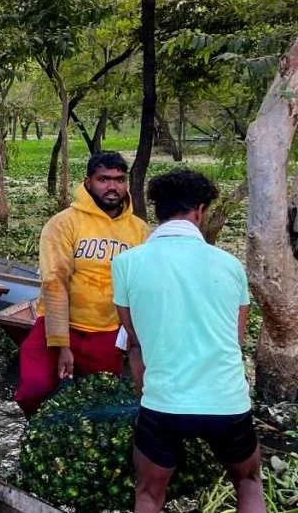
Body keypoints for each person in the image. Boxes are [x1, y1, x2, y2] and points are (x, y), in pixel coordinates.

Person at [113, 170, 265, 513]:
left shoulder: (125, 265)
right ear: (200, 210)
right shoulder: (230, 265)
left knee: (149, 495)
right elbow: (236, 339)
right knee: (248, 483)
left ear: (158, 211)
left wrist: (145, 397)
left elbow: (135, 341)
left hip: (164, 403)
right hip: (227, 402)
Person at [15, 151, 150, 416]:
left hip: (108, 331)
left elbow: (142, 290)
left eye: (119, 180)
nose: (112, 187)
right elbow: (55, 282)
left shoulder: (140, 231)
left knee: (100, 401)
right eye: (104, 179)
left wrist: (135, 341)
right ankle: (39, 432)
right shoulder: (63, 224)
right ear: (88, 182)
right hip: (57, 325)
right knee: (34, 389)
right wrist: (62, 345)